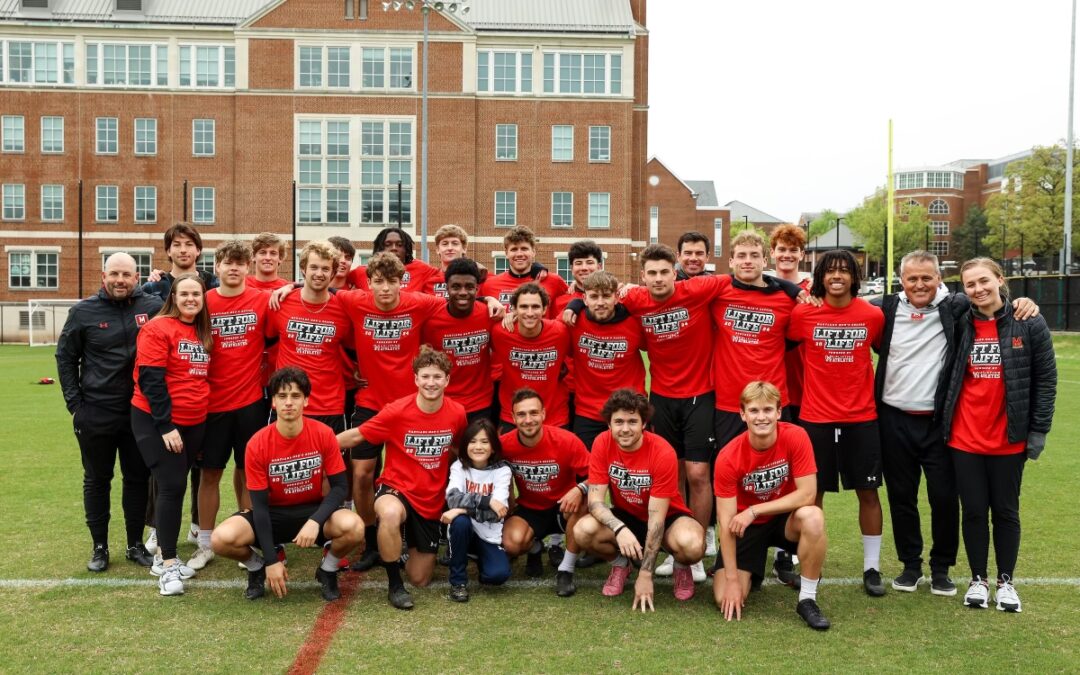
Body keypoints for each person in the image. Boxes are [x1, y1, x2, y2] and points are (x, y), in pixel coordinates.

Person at [875, 250, 1039, 596]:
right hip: (893, 419)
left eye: (927, 278)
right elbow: (845, 305)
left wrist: (1024, 301)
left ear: (940, 280)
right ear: (901, 280)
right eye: (912, 278)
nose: (919, 284)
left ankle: (941, 568)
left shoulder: (956, 307)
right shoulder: (885, 307)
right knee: (901, 496)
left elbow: (994, 300)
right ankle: (910, 564)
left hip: (939, 422)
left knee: (944, 498)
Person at [941, 258, 1056, 613]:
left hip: (1009, 439)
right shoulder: (961, 321)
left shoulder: (1029, 321)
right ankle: (978, 580)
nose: (978, 289)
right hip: (965, 439)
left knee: (1005, 511)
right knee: (973, 511)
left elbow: (1046, 382)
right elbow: (940, 300)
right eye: (970, 284)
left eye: (984, 281)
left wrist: (1038, 430)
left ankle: (1006, 582)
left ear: (999, 280)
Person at [211, 366, 365, 601]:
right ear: (273, 402)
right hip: (272, 514)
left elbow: (340, 488)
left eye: (295, 396)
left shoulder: (323, 434)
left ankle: (328, 570)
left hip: (313, 511)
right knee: (221, 539)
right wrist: (270, 561)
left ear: (306, 400)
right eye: (282, 396)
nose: (289, 403)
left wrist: (316, 521)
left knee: (354, 527)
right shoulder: (258, 443)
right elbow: (260, 507)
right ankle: (256, 568)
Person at [703, 230, 804, 575]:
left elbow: (796, 332)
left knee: (779, 475)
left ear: (765, 260)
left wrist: (799, 290)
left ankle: (782, 553)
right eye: (741, 255)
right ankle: (730, 545)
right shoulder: (718, 291)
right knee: (731, 477)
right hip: (730, 405)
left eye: (753, 255)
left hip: (774, 405)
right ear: (730, 262)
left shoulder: (787, 296)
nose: (748, 261)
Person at [786, 249, 886, 597]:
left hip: (862, 418)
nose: (837, 276)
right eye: (831, 271)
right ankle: (807, 563)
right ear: (821, 277)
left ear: (854, 277)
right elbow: (781, 347)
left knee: (869, 492)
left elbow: (882, 351)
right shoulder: (803, 314)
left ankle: (872, 567)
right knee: (812, 496)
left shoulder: (872, 315)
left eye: (845, 271)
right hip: (815, 418)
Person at [337, 346, 468, 610]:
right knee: (389, 514)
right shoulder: (396, 411)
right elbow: (358, 435)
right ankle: (394, 585)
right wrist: (317, 446)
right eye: (426, 376)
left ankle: (399, 547)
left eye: (437, 377)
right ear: (416, 379)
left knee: (420, 578)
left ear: (447, 380)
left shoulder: (457, 413)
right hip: (397, 487)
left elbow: (458, 452)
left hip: (431, 497)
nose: (431, 382)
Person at [56, 252, 162, 572]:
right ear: (103, 276)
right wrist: (76, 405)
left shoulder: (153, 308)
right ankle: (99, 547)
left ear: (136, 276)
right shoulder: (83, 311)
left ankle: (134, 544)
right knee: (97, 480)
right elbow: (65, 358)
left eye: (126, 275)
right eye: (114, 274)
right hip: (96, 413)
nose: (120, 280)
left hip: (138, 413)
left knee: (137, 479)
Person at [712, 381, 830, 631]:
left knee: (813, 517)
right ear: (743, 414)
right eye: (754, 411)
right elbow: (725, 522)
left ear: (778, 412)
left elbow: (808, 494)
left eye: (767, 410)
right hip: (745, 528)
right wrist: (732, 579)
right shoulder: (728, 456)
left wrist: (755, 510)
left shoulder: (796, 436)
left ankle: (807, 599)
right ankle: (749, 573)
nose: (761, 417)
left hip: (781, 518)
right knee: (725, 597)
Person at [574, 389, 706, 609]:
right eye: (619, 422)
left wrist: (646, 574)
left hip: (667, 516)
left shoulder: (662, 451)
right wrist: (620, 529)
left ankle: (681, 567)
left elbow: (656, 519)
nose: (625, 429)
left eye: (632, 421)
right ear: (609, 424)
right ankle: (620, 564)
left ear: (644, 423)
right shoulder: (601, 443)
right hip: (627, 515)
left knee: (692, 545)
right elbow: (595, 502)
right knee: (582, 531)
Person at [191, 241, 272, 571]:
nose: (235, 268)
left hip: (251, 402)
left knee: (248, 473)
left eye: (241, 263)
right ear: (218, 266)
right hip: (212, 404)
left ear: (248, 267)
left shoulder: (262, 299)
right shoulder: (205, 302)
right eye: (229, 263)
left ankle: (246, 536)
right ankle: (205, 543)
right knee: (210, 473)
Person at [130, 273, 212, 596]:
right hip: (158, 420)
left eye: (197, 294)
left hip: (195, 421)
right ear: (173, 297)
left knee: (176, 487)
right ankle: (167, 565)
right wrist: (165, 425)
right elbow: (151, 379)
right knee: (172, 485)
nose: (191, 299)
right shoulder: (157, 327)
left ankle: (164, 556)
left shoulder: (203, 331)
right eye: (185, 294)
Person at [141, 222, 217, 550]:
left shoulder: (212, 285)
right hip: (162, 390)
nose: (183, 250)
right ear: (168, 250)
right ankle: (158, 525)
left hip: (200, 391)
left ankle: (198, 525)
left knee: (199, 464)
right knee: (163, 469)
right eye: (177, 244)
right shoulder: (154, 290)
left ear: (198, 250)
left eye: (189, 244)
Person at [500, 389, 590, 596]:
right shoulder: (505, 444)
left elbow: (598, 474)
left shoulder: (566, 440)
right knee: (512, 544)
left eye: (533, 413)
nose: (528, 420)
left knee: (583, 501)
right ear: (513, 418)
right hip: (530, 507)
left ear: (543, 414)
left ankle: (566, 570)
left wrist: (579, 488)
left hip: (563, 507)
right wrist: (508, 498)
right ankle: (534, 547)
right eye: (521, 414)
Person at [266, 241, 353, 432]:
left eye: (325, 268)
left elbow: (354, 349)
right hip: (287, 401)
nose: (319, 273)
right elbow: (266, 341)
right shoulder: (280, 302)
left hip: (329, 404)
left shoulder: (344, 308)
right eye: (313, 267)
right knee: (282, 461)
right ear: (303, 268)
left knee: (331, 462)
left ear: (333, 272)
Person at [569, 270, 646, 450]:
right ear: (584, 299)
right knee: (586, 472)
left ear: (617, 297)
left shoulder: (634, 321)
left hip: (629, 410)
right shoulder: (573, 320)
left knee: (630, 472)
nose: (601, 302)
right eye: (594, 296)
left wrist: (638, 290)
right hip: (588, 412)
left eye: (606, 296)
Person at [442, 419, 513, 602]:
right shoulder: (459, 466)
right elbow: (452, 499)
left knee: (497, 576)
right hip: (463, 530)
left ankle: (474, 555)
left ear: (493, 447)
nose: (478, 447)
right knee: (460, 524)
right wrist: (486, 500)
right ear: (465, 445)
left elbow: (498, 513)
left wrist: (462, 510)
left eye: (484, 441)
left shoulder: (503, 470)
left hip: (488, 535)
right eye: (472, 441)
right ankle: (458, 582)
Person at [421, 257, 498, 423]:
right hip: (443, 401)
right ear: (446, 287)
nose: (463, 292)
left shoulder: (489, 314)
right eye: (456, 286)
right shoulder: (431, 319)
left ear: (477, 288)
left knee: (478, 449)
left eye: (469, 287)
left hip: (481, 403)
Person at [491, 283, 573, 431]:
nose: (529, 313)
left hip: (554, 417)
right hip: (513, 416)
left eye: (535, 307)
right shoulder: (500, 332)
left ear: (544, 309)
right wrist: (487, 299)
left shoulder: (561, 332)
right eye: (523, 307)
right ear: (514, 309)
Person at [480, 226, 569, 317]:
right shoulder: (489, 284)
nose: (519, 254)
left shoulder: (553, 281)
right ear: (506, 253)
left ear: (533, 252)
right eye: (514, 249)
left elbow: (577, 297)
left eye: (524, 249)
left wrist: (575, 285)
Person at [347, 227, 439, 292]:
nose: (394, 248)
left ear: (406, 249)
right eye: (388, 244)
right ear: (379, 248)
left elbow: (445, 275)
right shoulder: (361, 272)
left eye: (399, 245)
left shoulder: (421, 268)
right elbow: (338, 282)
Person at [423, 224, 472, 298]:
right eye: (445, 244)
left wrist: (489, 299)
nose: (450, 248)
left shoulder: (478, 277)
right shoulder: (427, 280)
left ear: (464, 249)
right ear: (437, 249)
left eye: (455, 243)